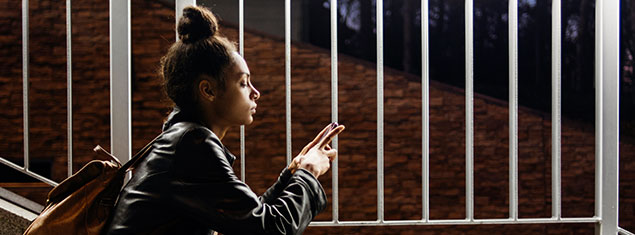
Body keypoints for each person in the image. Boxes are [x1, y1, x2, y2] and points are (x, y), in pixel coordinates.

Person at [104, 5, 344, 235]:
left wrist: (292, 175)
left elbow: (248, 222)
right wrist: (309, 172)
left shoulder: (182, 141)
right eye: (243, 82)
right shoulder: (192, 145)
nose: (255, 92)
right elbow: (270, 229)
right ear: (208, 90)